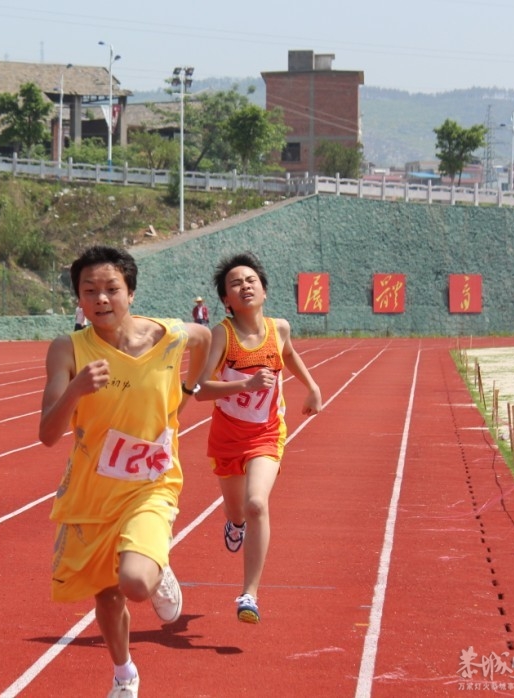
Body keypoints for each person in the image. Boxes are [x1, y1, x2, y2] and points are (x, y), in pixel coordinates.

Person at [39, 245, 211, 698]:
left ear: (130, 293)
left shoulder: (170, 335)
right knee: (106, 594)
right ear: (78, 298)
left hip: (151, 484)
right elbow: (47, 433)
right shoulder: (68, 349)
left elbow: (205, 339)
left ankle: (158, 565)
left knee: (134, 582)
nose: (100, 299)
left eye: (111, 289)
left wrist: (189, 390)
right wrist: (75, 389)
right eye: (88, 290)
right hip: (92, 491)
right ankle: (124, 675)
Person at [193, 252, 322, 625]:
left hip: (266, 433)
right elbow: (200, 389)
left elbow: (290, 354)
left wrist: (311, 387)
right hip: (227, 437)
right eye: (235, 283)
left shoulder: (278, 328)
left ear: (264, 289)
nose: (245, 286)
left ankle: (249, 593)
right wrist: (247, 383)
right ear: (225, 300)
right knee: (237, 512)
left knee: (256, 504)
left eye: (251, 280)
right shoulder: (223, 334)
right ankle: (233, 524)